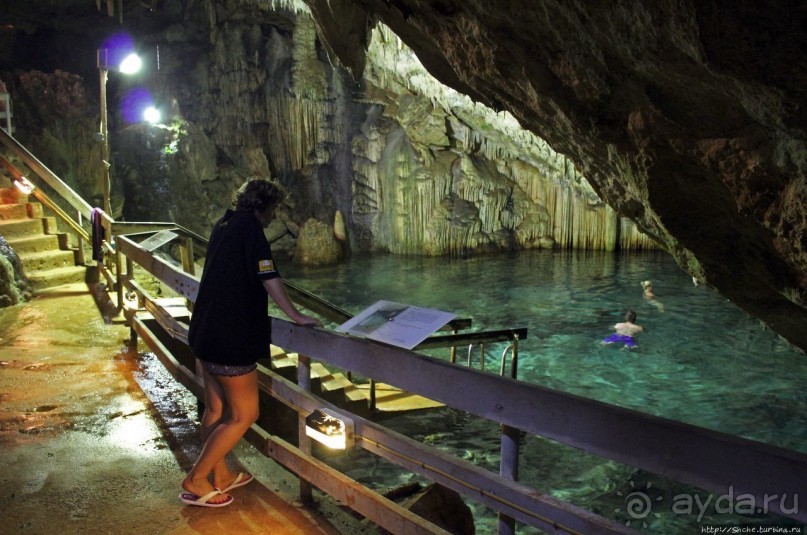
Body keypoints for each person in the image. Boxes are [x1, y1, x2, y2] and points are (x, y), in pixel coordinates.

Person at [180, 177, 322, 508]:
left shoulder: (224, 224)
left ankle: (221, 475)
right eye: (274, 209)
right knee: (244, 414)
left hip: (204, 331)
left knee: (216, 409)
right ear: (264, 206)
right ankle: (196, 479)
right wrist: (296, 315)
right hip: (230, 338)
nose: (274, 216)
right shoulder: (251, 229)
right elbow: (268, 276)